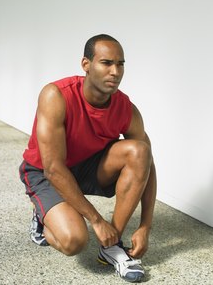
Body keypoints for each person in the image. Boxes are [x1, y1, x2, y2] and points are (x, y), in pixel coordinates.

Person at [19, 34, 157, 283]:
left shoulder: (126, 107)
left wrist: (146, 225)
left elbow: (148, 165)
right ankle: (42, 216)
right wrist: (96, 220)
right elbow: (53, 168)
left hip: (87, 166)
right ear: (86, 64)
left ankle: (112, 246)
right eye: (106, 63)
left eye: (120, 64)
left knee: (140, 150)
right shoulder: (56, 95)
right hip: (45, 173)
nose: (115, 71)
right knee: (74, 241)